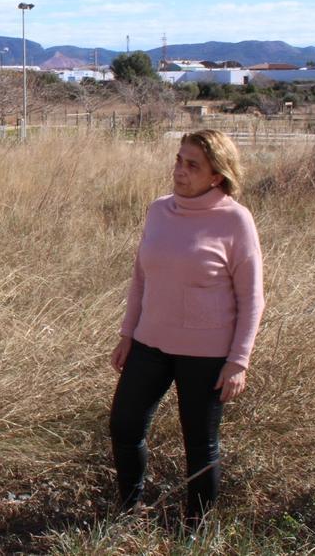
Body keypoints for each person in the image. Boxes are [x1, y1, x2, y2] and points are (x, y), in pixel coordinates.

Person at [108, 129, 264, 528]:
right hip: (149, 344)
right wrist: (128, 334)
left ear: (217, 174)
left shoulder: (236, 220)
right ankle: (130, 509)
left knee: (199, 443)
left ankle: (196, 527)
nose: (180, 170)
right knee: (124, 425)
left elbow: (251, 298)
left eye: (192, 165)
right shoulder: (159, 210)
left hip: (207, 355)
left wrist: (238, 361)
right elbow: (141, 277)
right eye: (179, 160)